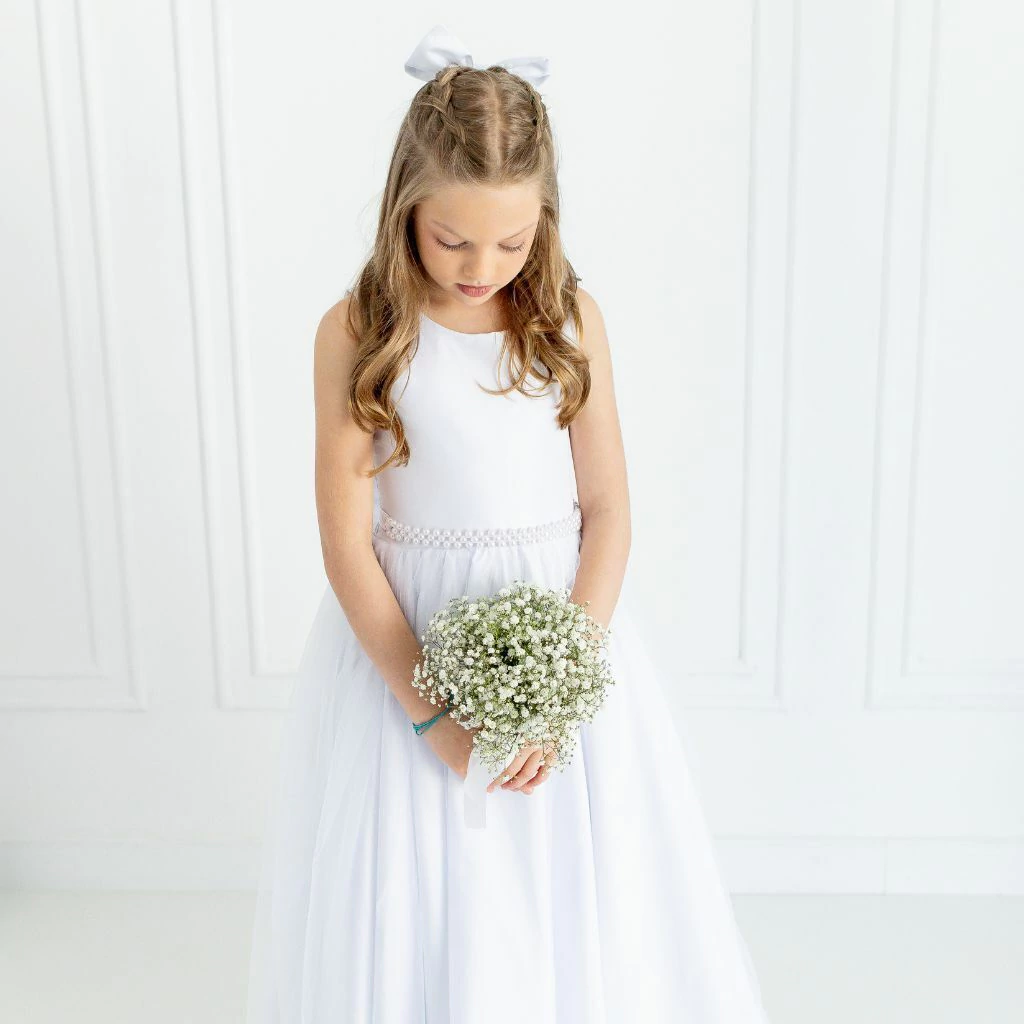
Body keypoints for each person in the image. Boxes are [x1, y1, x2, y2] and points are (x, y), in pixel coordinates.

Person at [245, 24, 772, 1024]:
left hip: (563, 643)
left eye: (512, 241)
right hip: (410, 652)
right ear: (405, 207)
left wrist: (560, 686)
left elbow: (607, 511)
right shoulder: (357, 334)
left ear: (546, 219)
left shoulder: (568, 320)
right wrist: (435, 717)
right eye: (451, 239)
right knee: (423, 886)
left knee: (571, 888)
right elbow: (346, 543)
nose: (480, 264)